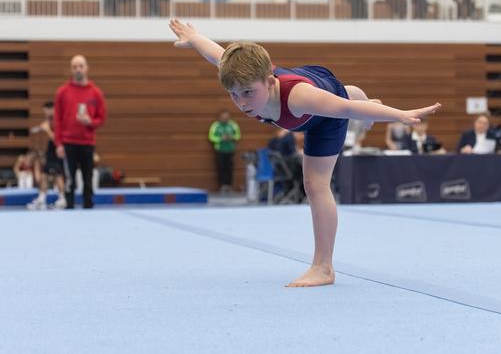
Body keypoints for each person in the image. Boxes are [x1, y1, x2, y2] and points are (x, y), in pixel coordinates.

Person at [169, 18, 441, 287]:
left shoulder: (298, 97)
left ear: (269, 82)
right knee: (336, 100)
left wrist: (400, 115)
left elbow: (345, 111)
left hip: (322, 110)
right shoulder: (244, 77)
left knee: (315, 184)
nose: (241, 103)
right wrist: (195, 38)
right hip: (315, 89)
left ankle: (323, 267)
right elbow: (217, 54)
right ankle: (352, 93)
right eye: (234, 94)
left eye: (248, 93)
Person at [54, 55, 107, 209]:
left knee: (87, 178)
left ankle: (88, 205)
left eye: (81, 66)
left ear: (86, 68)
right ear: (71, 69)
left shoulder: (95, 92)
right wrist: (58, 144)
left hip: (87, 142)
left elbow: (102, 118)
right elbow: (57, 120)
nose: (78, 69)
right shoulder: (62, 92)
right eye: (75, 66)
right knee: (69, 179)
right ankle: (69, 205)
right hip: (68, 142)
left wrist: (90, 122)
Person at [26, 101, 66, 210]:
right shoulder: (49, 120)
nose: (45, 113)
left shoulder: (58, 121)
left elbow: (58, 139)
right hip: (51, 150)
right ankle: (42, 199)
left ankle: (62, 199)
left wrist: (47, 130)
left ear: (52, 109)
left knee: (58, 175)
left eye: (46, 111)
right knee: (44, 174)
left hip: (57, 150)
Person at [208, 110, 241, 192]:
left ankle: (229, 185)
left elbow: (238, 135)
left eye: (226, 117)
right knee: (221, 168)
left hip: (230, 150)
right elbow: (211, 137)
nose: (225, 119)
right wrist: (221, 139)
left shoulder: (233, 125)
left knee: (229, 169)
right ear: (220, 117)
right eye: (223, 117)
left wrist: (232, 137)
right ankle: (222, 185)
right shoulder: (216, 126)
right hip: (220, 150)